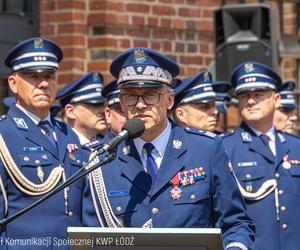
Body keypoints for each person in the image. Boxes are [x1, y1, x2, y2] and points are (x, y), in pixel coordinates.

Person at [83, 47, 255, 250]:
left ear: (169, 100)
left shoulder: (206, 150)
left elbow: (235, 223)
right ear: (121, 102)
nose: (140, 105)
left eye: (150, 95)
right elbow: (91, 239)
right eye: (130, 96)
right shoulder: (103, 161)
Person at [0, 37, 87, 250]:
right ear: (13, 83)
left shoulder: (69, 135)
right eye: (33, 77)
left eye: (49, 76)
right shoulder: (3, 135)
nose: (44, 84)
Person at [222, 61, 300, 250]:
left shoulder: (295, 145)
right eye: (244, 95)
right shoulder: (223, 148)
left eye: (258, 95)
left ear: (276, 99)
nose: (250, 101)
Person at [56, 72, 107, 145]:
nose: (103, 111)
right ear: (70, 111)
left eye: (102, 104)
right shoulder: (59, 146)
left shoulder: (109, 145)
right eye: (95, 104)